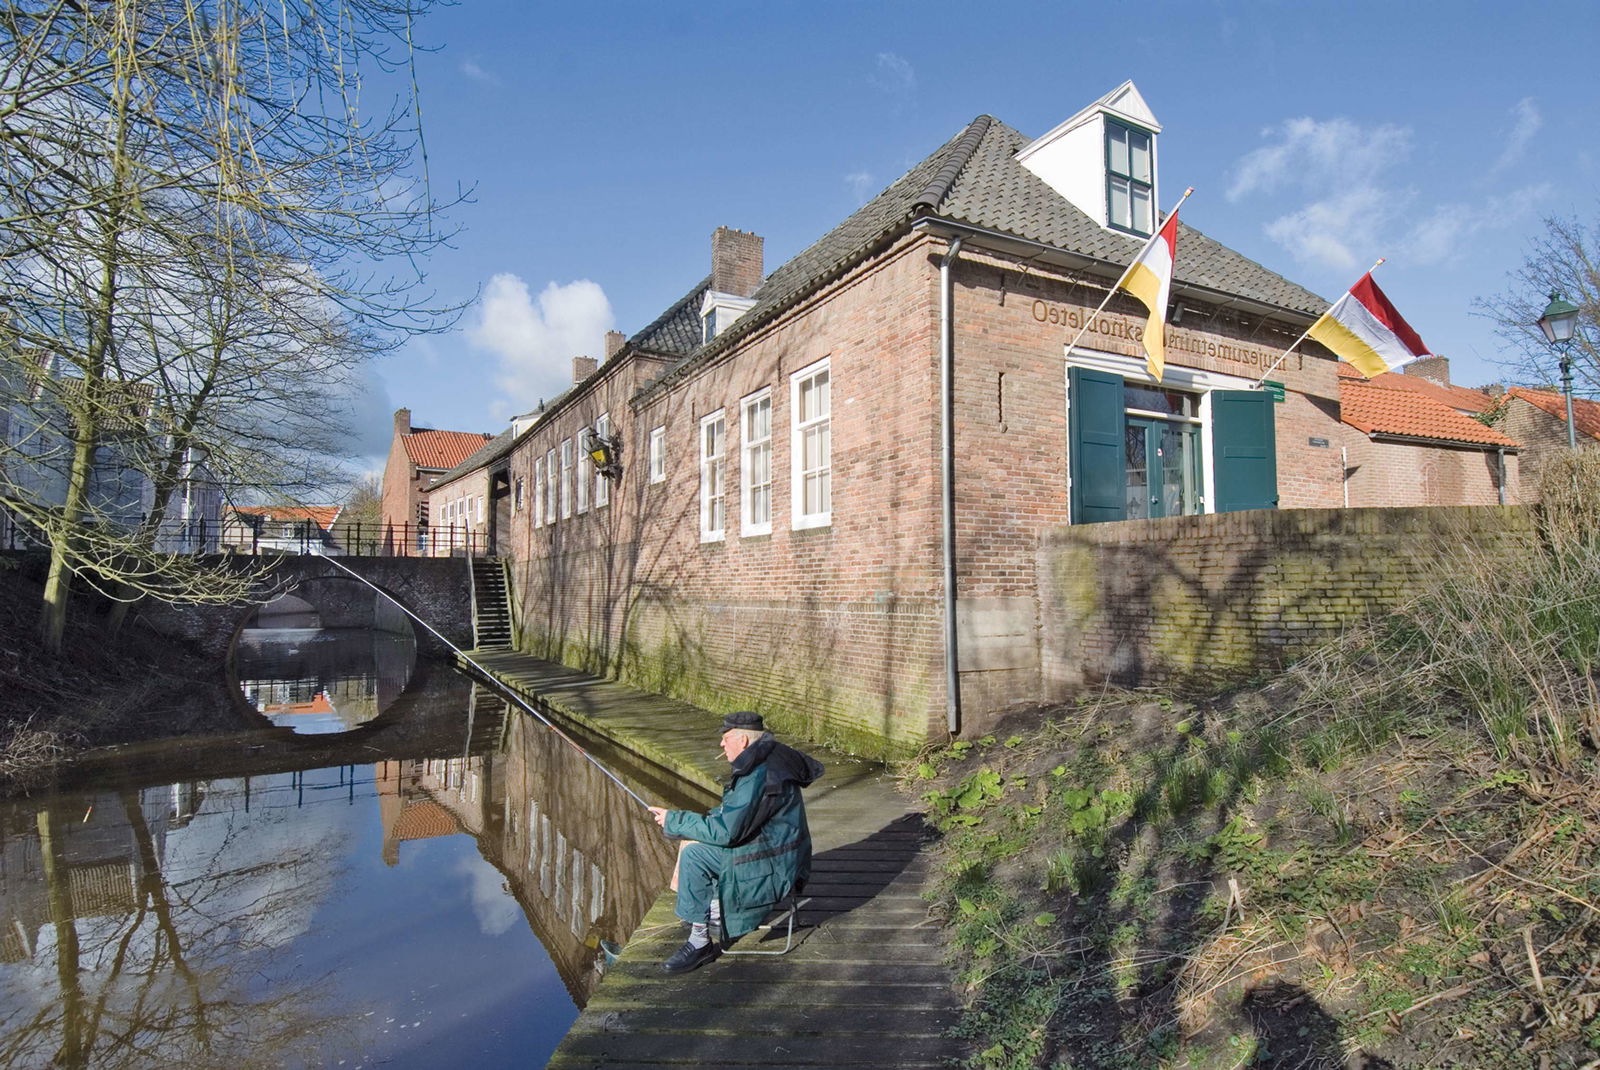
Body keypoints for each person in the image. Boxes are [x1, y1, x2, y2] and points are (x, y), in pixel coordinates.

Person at [647, 711, 824, 974]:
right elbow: (738, 816)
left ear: (742, 741)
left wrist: (676, 820)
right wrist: (686, 822)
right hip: (780, 853)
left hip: (775, 867)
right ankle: (713, 911)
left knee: (694, 855)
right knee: (694, 839)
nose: (721, 744)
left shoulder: (759, 776)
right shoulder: (767, 760)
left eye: (726, 738)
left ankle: (700, 944)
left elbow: (728, 832)